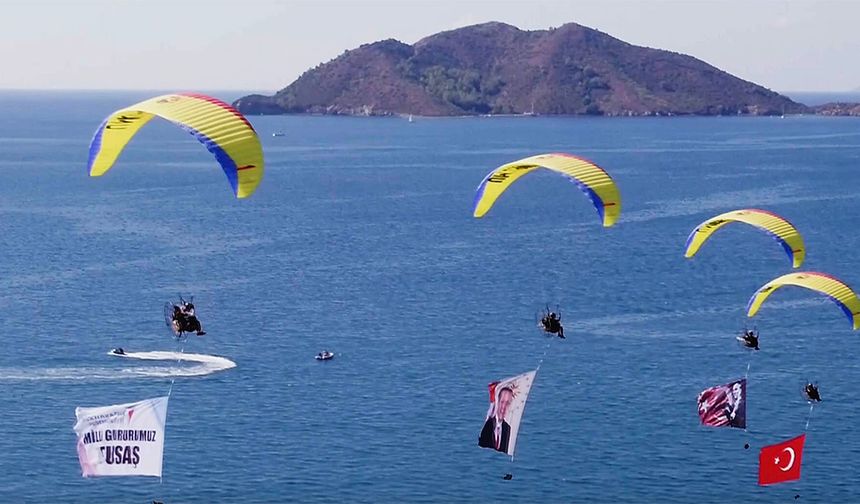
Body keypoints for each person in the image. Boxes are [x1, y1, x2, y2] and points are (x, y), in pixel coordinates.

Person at [478, 386, 514, 453]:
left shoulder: (507, 428)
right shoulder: (488, 424)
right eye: (502, 402)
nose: (504, 407)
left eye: (507, 403)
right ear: (497, 402)